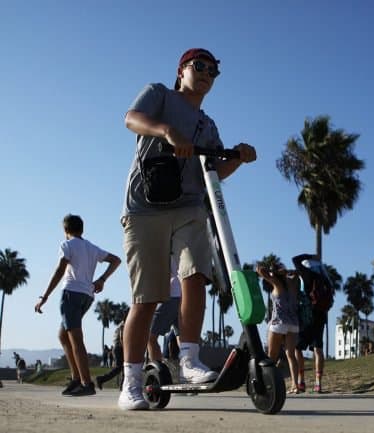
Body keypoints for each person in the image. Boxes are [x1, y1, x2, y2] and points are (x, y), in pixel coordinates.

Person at [118, 47, 257, 410]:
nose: (208, 73)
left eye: (214, 70)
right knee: (146, 299)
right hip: (144, 207)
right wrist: (165, 130)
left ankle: (190, 359)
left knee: (196, 275)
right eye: (200, 66)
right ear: (182, 70)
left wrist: (237, 159)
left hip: (189, 207)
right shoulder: (160, 95)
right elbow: (131, 118)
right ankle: (130, 382)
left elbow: (212, 173)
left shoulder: (208, 126)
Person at [35, 214, 122, 397]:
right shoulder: (91, 247)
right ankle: (76, 378)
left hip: (71, 294)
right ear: (81, 229)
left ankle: (86, 383)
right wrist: (102, 280)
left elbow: (60, 269)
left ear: (65, 231)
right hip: (86, 296)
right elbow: (116, 260)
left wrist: (45, 296)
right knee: (63, 335)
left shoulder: (67, 245)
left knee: (75, 338)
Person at [256, 263, 301, 394]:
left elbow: (260, 270)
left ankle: (267, 384)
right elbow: (297, 273)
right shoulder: (292, 282)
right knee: (291, 355)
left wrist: (271, 273)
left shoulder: (276, 283)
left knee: (271, 356)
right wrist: (286, 272)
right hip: (293, 324)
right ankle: (295, 385)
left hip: (279, 323)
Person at [292, 253, 328, 393]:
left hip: (306, 317)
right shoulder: (324, 278)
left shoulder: (307, 274)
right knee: (318, 349)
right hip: (321, 317)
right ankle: (318, 383)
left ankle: (301, 381)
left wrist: (310, 256)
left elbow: (295, 259)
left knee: (297, 348)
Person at [147, 258, 182, 364]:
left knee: (150, 337)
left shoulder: (164, 246)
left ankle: (159, 372)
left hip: (171, 295)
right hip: (183, 294)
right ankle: (188, 367)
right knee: (182, 337)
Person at [96, 311, 127, 390]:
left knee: (124, 368)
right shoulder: (124, 325)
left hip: (118, 348)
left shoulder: (122, 324)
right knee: (119, 368)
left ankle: (123, 387)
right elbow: (122, 338)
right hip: (120, 348)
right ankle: (101, 379)